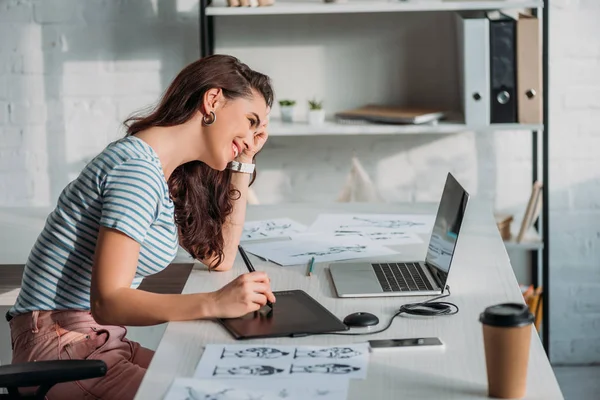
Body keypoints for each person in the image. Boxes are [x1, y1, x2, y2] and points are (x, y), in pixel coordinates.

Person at [7, 54, 276, 399]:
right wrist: (214, 303)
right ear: (213, 100)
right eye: (250, 121)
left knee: (231, 379)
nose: (253, 136)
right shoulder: (137, 170)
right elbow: (109, 301)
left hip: (96, 341)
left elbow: (218, 256)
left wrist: (243, 161)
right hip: (62, 349)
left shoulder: (164, 173)